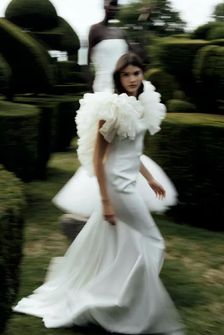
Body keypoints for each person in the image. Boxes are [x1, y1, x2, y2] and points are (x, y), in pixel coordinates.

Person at [13, 52, 184, 335]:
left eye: (136, 73)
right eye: (126, 74)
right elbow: (99, 160)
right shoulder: (112, 110)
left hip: (131, 181)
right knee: (154, 242)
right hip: (117, 186)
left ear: (143, 75)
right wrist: (105, 201)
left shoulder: (140, 107)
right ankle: (120, 300)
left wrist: (151, 179)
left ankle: (120, 298)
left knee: (128, 245)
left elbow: (133, 152)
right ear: (119, 78)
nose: (132, 79)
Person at [52, 0, 177, 227]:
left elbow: (137, 54)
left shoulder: (121, 32)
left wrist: (143, 22)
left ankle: (125, 198)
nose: (113, 7)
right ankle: (103, 200)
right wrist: (93, 91)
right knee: (105, 148)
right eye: (110, 4)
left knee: (127, 143)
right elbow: (84, 61)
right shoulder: (95, 30)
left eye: (116, 4)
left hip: (124, 89)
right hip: (104, 89)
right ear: (104, 6)